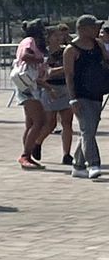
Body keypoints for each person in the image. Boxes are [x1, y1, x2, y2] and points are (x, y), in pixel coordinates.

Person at [64, 14, 108, 179]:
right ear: (82, 29)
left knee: (88, 131)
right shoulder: (71, 50)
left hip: (96, 93)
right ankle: (94, 164)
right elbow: (69, 75)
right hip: (80, 95)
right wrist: (72, 98)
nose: (97, 29)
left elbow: (107, 61)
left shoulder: (98, 45)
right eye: (93, 26)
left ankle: (78, 165)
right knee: (87, 130)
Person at [12, 19, 50, 170]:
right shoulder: (29, 41)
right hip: (27, 86)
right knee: (39, 121)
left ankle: (27, 154)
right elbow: (26, 56)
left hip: (32, 85)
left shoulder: (36, 43)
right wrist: (40, 59)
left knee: (30, 123)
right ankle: (25, 155)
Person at [39, 25, 76, 168]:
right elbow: (45, 73)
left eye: (60, 35)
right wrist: (64, 68)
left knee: (67, 122)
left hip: (64, 87)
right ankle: (37, 143)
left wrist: (61, 69)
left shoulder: (65, 51)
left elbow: (73, 64)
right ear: (48, 38)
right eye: (55, 36)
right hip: (49, 88)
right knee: (50, 124)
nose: (59, 38)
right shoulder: (43, 53)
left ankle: (66, 154)